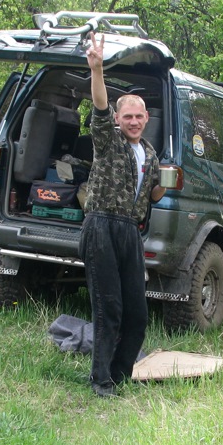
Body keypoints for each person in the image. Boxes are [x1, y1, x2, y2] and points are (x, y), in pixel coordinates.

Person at [81, 32, 164, 397]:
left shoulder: (150, 152)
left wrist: (166, 184)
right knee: (108, 307)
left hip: (130, 230)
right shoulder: (108, 138)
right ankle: (101, 380)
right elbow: (98, 106)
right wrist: (97, 69)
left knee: (137, 314)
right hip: (100, 224)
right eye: (126, 115)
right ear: (118, 118)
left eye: (138, 116)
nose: (132, 121)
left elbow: (152, 193)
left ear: (146, 118)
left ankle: (118, 374)